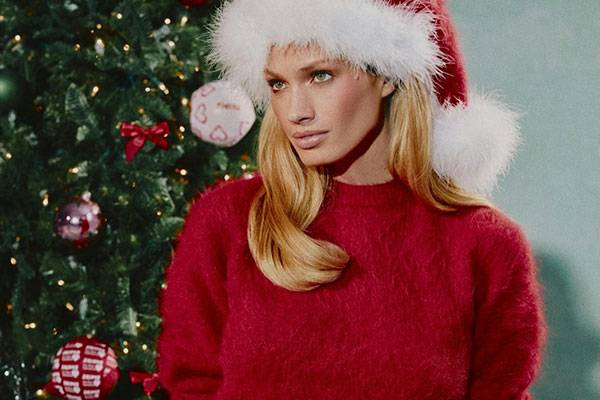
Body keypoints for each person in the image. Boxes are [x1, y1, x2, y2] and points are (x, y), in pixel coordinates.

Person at [156, 0, 548, 399]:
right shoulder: (228, 219)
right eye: (278, 84)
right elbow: (191, 382)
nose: (295, 112)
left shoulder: (485, 244)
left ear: (386, 75)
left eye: (320, 75)